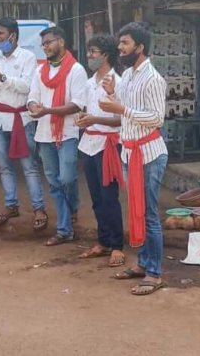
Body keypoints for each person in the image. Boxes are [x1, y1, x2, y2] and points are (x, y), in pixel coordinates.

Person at [99, 22, 169, 296]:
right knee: (137, 210)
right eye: (120, 43)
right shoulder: (127, 75)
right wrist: (111, 93)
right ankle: (143, 263)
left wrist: (120, 107)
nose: (120, 48)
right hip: (130, 151)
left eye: (125, 43)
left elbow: (156, 118)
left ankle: (154, 273)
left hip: (148, 153)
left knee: (149, 213)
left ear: (139, 47)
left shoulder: (153, 78)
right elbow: (126, 105)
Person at [0, 17, 48, 230]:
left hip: (21, 120)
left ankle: (38, 208)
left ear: (13, 36)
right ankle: (11, 205)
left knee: (29, 167)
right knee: (4, 167)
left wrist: (3, 79)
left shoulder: (28, 57)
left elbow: (26, 87)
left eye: (1, 34)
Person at [27, 26, 87, 247]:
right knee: (54, 182)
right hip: (44, 135)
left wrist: (48, 111)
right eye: (43, 44)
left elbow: (78, 104)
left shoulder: (76, 70)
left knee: (67, 178)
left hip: (67, 133)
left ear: (61, 42)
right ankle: (64, 229)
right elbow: (32, 97)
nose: (46, 47)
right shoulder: (40, 71)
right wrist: (34, 106)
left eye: (49, 42)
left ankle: (72, 210)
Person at [75, 34, 125, 267]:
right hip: (89, 143)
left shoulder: (118, 82)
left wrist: (94, 118)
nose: (89, 56)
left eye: (93, 52)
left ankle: (116, 245)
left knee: (109, 197)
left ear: (105, 54)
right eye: (89, 52)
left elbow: (121, 119)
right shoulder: (89, 82)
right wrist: (84, 118)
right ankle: (103, 241)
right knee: (96, 197)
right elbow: (87, 111)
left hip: (108, 145)